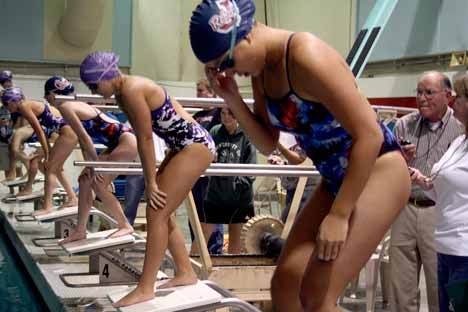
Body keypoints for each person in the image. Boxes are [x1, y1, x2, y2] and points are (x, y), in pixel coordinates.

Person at [189, 1, 410, 310]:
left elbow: (369, 134)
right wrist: (233, 100)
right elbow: (268, 143)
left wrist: (340, 215)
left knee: (318, 296)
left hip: (377, 169)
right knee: (286, 284)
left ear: (245, 36)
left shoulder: (306, 54)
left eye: (225, 63)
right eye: (217, 69)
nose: (228, 72)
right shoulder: (261, 71)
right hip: (336, 178)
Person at [79, 51, 215, 307]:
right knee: (165, 212)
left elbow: (145, 138)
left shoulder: (131, 89)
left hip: (193, 145)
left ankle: (145, 287)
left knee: (156, 210)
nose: (95, 91)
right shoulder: (123, 93)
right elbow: (170, 118)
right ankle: (185, 271)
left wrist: (151, 181)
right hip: (183, 144)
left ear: (106, 76)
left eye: (94, 85)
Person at [389, 71, 463, 312]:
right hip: (405, 207)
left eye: (429, 92)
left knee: (437, 285)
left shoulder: (460, 129)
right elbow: (386, 168)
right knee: (401, 284)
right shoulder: (404, 124)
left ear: (448, 96)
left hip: (438, 212)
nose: (422, 98)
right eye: (419, 92)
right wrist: (399, 158)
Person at [37, 76, 138, 242]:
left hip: (126, 141)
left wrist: (95, 165)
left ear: (53, 94)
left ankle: (125, 225)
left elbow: (85, 138)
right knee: (84, 180)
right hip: (116, 143)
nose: (46, 100)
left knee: (98, 184)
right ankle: (80, 230)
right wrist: (90, 166)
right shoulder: (71, 106)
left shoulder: (66, 107)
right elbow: (84, 143)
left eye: (46, 96)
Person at [1, 87, 78, 215]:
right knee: (54, 167)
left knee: (50, 167)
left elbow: (39, 131)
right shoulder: (25, 107)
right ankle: (72, 197)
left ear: (14, 101)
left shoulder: (24, 106)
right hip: (66, 132)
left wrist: (47, 153)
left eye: (6, 104)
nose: (6, 107)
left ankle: (48, 206)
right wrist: (47, 150)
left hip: (67, 133)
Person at [191, 107, 256, 254]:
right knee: (203, 234)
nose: (226, 117)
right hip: (216, 192)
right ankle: (190, 267)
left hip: (239, 196)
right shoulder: (215, 131)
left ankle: (231, 273)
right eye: (223, 113)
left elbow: (251, 168)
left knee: (236, 239)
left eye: (230, 113)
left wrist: (237, 184)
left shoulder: (247, 134)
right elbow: (205, 154)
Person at [190, 78, 224, 255]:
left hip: (211, 172)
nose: (197, 94)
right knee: (195, 214)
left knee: (212, 213)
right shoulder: (195, 117)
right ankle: (198, 251)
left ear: (211, 92)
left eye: (201, 90)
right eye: (197, 90)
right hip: (195, 172)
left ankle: (215, 252)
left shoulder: (219, 112)